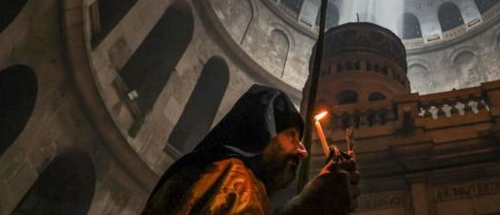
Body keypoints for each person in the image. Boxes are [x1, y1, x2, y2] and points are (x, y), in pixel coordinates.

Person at [142, 85, 360, 214]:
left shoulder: (246, 184)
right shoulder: (232, 176)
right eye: (292, 137)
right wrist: (306, 205)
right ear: (260, 133)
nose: (302, 152)